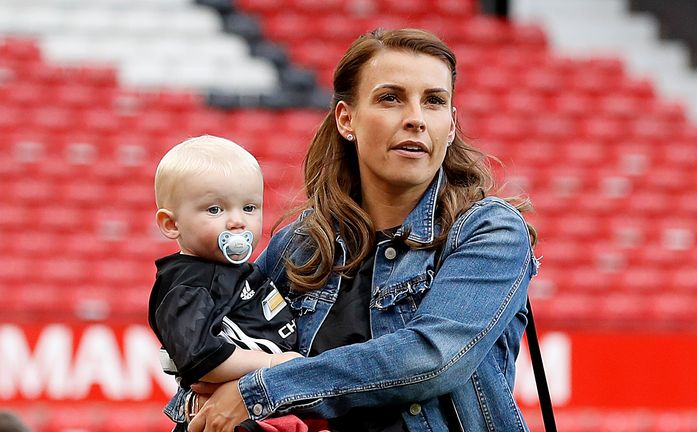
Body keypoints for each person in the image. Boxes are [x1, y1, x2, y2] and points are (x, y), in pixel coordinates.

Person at [186, 28, 539, 432]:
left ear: (452, 125)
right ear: (346, 119)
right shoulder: (300, 245)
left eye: (434, 101)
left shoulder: (489, 230)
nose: (416, 119)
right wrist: (202, 389)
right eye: (391, 98)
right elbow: (218, 343)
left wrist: (259, 391)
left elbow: (431, 358)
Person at [149, 135, 307, 430]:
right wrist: (273, 365)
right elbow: (201, 356)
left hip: (266, 407)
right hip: (227, 416)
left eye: (249, 208)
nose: (238, 222)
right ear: (172, 224)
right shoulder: (187, 286)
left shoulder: (241, 271)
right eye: (215, 210)